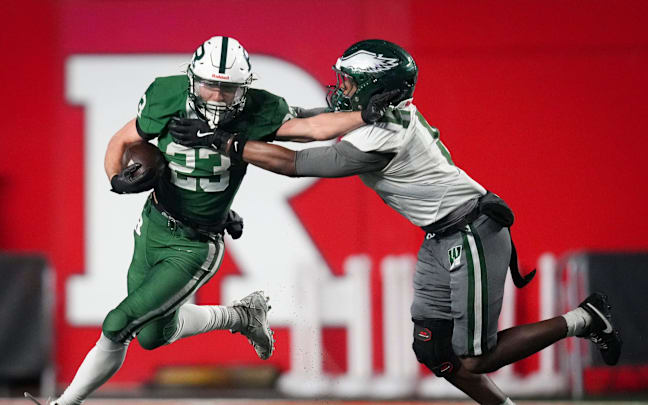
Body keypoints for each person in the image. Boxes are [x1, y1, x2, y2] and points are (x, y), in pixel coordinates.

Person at [170, 39, 623, 405]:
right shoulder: (378, 112)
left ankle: (583, 318)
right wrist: (243, 122)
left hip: (471, 232)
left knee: (475, 357)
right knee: (433, 351)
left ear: (376, 88)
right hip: (440, 236)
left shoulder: (383, 133)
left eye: (350, 82)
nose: (341, 88)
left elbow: (297, 163)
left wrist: (222, 142)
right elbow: (306, 120)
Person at [26, 36, 398, 405]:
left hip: (194, 244)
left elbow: (313, 129)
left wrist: (365, 116)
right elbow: (121, 141)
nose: (218, 96)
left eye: (228, 88)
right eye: (210, 85)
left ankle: (64, 403)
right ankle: (240, 316)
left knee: (117, 324)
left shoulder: (259, 108)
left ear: (244, 87)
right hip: (153, 223)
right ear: (192, 80)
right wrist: (116, 179)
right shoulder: (166, 94)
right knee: (153, 335)